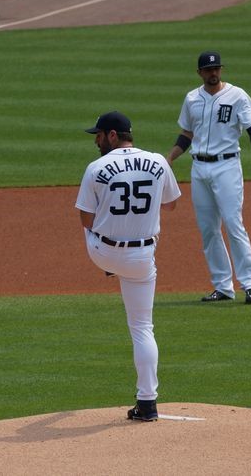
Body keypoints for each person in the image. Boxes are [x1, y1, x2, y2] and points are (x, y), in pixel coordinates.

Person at [75, 111, 181, 422]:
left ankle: (112, 265)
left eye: (98, 134)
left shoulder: (96, 168)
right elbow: (172, 204)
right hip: (142, 259)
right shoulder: (158, 162)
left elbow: (85, 217)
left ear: (112, 135)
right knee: (142, 328)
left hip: (104, 253)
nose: (96, 140)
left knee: (89, 223)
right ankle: (147, 402)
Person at [167, 51, 251, 305]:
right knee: (208, 229)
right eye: (208, 70)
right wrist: (169, 158)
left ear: (221, 70)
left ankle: (250, 284)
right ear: (200, 73)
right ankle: (223, 286)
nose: (213, 73)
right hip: (199, 169)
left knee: (233, 223)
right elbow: (186, 134)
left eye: (216, 69)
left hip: (226, 166)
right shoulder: (192, 98)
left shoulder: (237, 95)